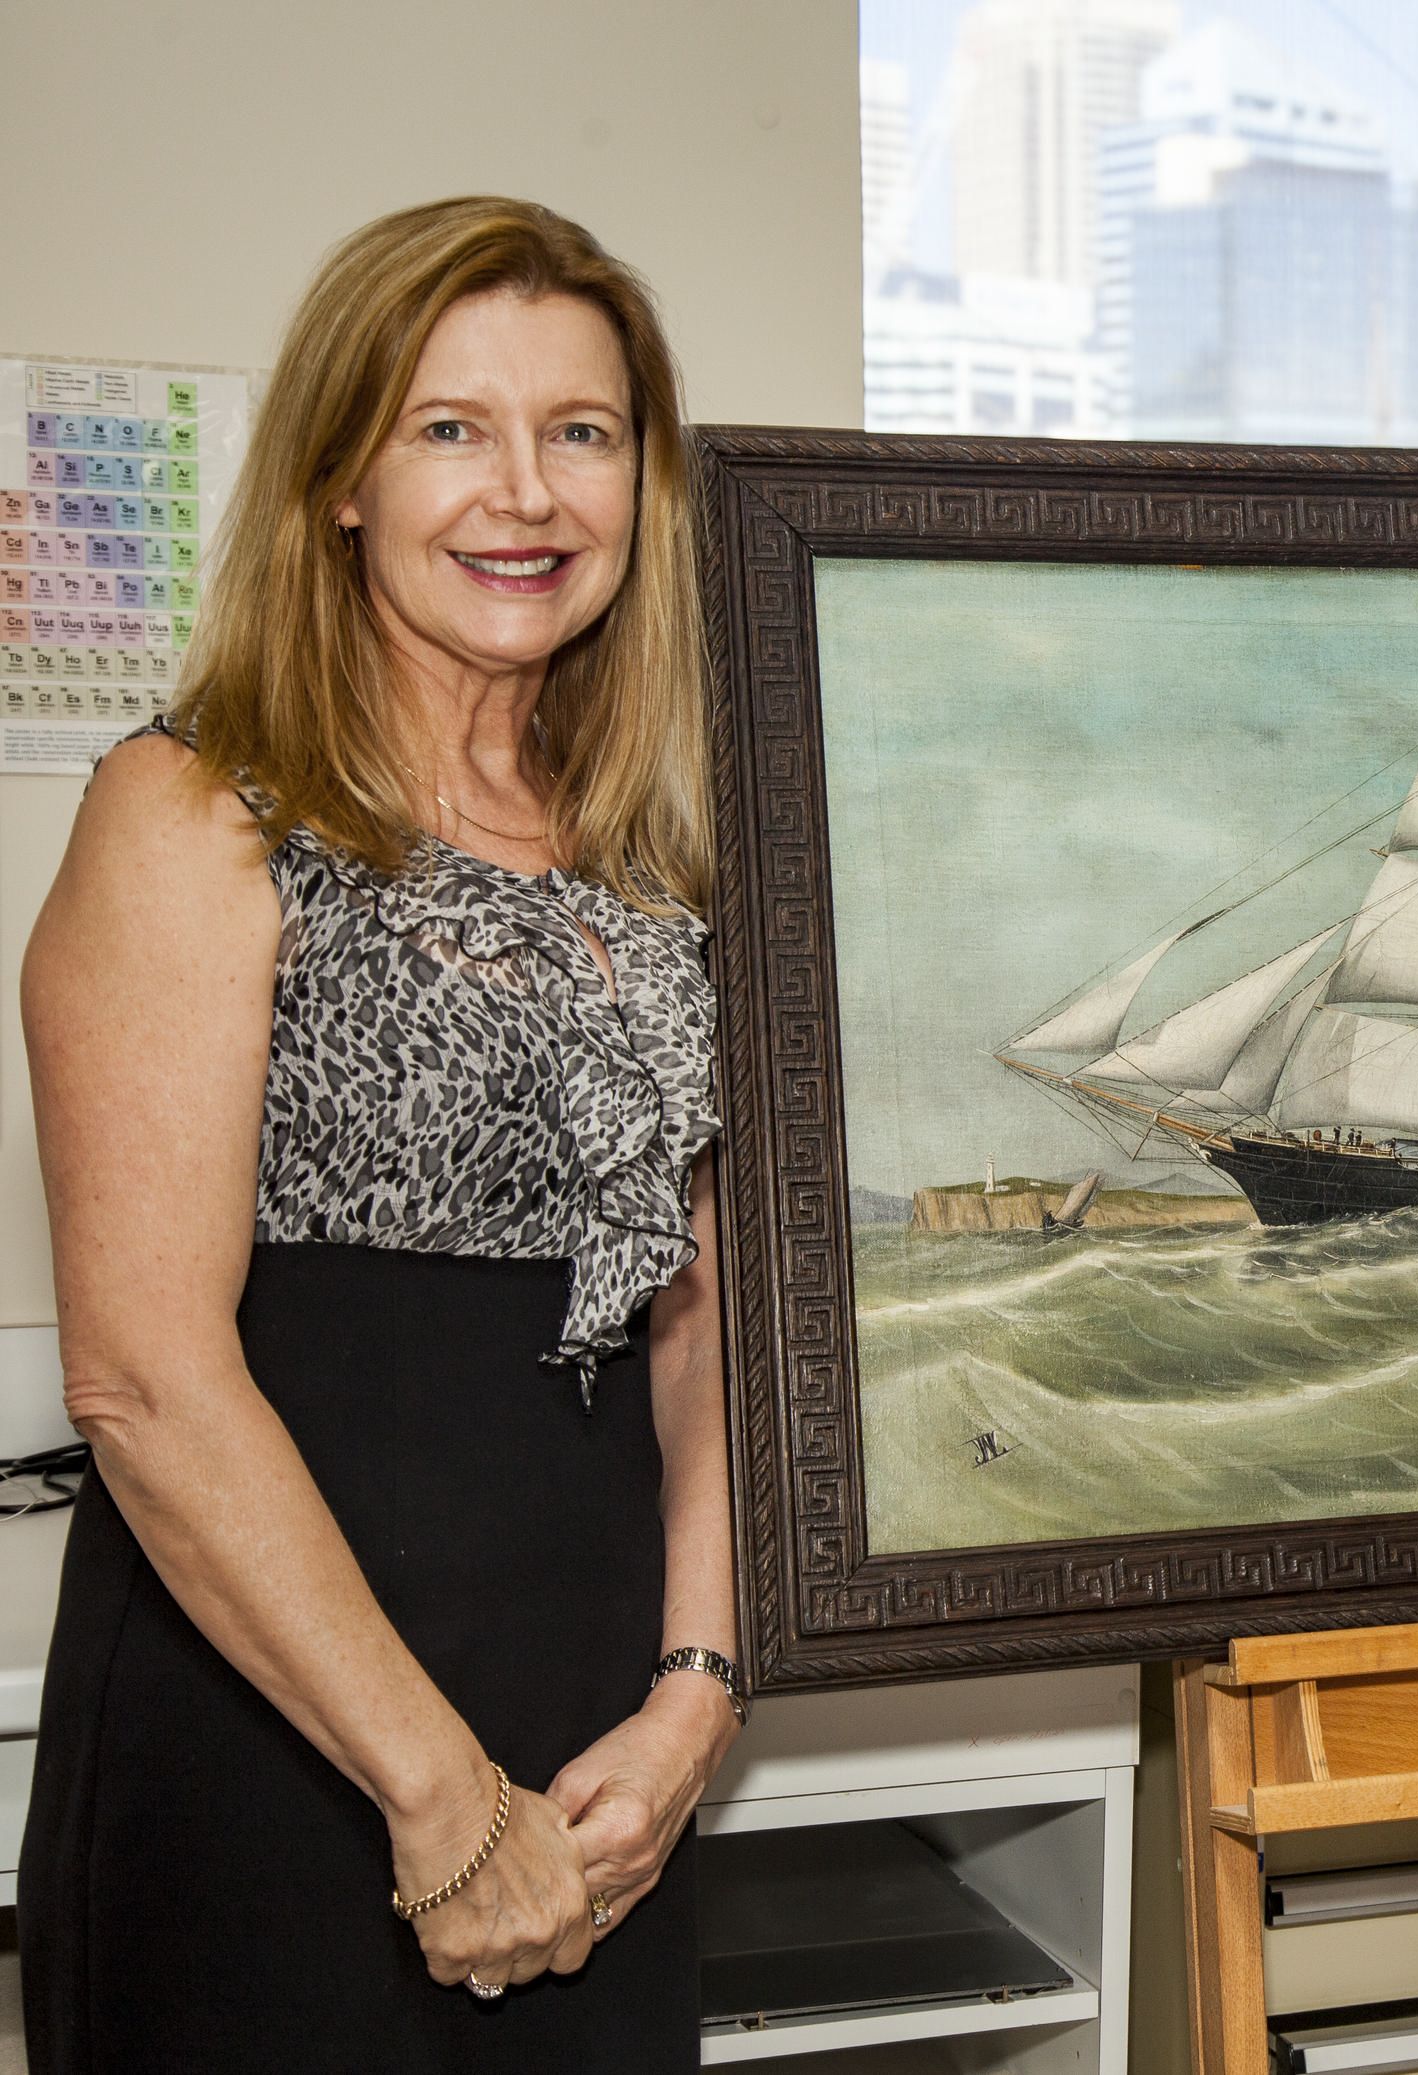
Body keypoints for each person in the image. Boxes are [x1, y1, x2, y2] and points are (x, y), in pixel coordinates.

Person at [17, 197, 737, 2070]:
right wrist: (435, 1795)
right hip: (280, 1751)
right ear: (339, 474)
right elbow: (144, 1380)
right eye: (452, 428)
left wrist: (695, 1700)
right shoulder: (196, 811)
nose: (530, 493)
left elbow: (705, 1330)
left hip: (604, 1770)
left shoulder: (665, 859)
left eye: (583, 432)